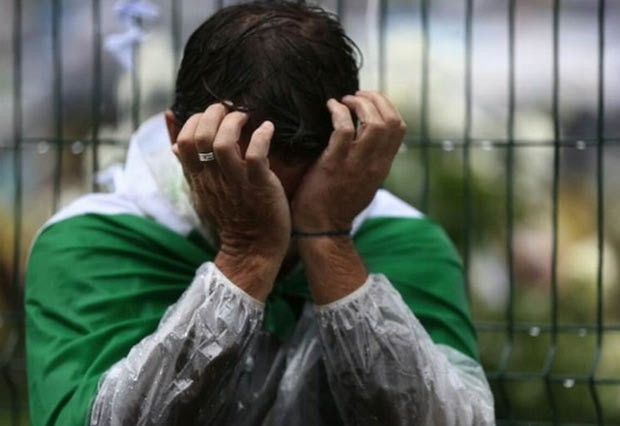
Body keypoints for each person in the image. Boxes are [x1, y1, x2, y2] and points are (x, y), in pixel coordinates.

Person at [25, 1, 495, 425]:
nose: (273, 212)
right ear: (177, 137)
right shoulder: (92, 242)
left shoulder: (405, 243)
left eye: (295, 193)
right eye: (241, 174)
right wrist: (247, 255)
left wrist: (328, 239)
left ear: (349, 144)